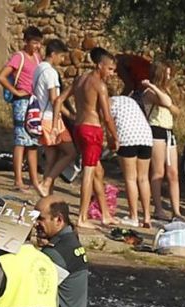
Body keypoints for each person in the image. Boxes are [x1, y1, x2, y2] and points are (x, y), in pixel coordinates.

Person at [72, 47, 119, 229]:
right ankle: (82, 217)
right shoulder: (99, 85)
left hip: (79, 127)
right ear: (100, 66)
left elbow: (60, 99)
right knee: (89, 173)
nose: (112, 74)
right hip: (92, 130)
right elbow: (107, 117)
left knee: (98, 172)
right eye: (110, 69)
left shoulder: (79, 80)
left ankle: (105, 214)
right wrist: (114, 137)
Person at [0, 26, 43, 195]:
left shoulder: (37, 58)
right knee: (20, 141)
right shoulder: (19, 57)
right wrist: (16, 91)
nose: (37, 46)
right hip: (21, 102)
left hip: (33, 102)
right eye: (34, 42)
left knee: (33, 142)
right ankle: (18, 180)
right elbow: (1, 76)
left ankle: (34, 180)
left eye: (39, 43)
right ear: (26, 41)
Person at [110, 56, 154, 227]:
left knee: (130, 178)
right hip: (146, 136)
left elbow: (108, 123)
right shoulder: (131, 101)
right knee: (143, 178)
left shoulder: (110, 103)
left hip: (128, 137)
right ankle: (147, 218)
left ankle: (134, 216)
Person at [33, 39, 76, 198]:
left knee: (51, 157)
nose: (62, 61)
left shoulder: (38, 69)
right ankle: (46, 184)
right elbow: (55, 100)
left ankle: (47, 194)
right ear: (54, 54)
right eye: (61, 57)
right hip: (51, 118)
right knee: (70, 152)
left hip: (41, 117)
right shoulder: (50, 72)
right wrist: (69, 116)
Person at [140, 61, 183, 221]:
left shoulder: (166, 91)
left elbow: (175, 110)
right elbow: (166, 103)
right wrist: (154, 87)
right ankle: (158, 208)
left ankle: (176, 211)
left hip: (168, 132)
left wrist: (169, 104)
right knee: (158, 172)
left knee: (173, 173)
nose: (169, 77)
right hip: (156, 131)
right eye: (167, 73)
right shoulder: (149, 92)